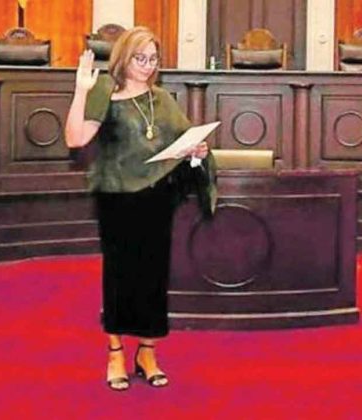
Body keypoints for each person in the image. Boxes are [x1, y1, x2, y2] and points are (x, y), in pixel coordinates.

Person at [65, 27, 217, 391]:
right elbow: (75, 139)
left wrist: (198, 152)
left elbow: (185, 140)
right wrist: (81, 91)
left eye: (153, 59)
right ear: (123, 57)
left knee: (153, 276)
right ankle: (115, 350)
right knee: (120, 276)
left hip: (155, 199)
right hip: (117, 198)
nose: (148, 66)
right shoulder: (106, 92)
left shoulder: (162, 99)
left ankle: (147, 351)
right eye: (140, 58)